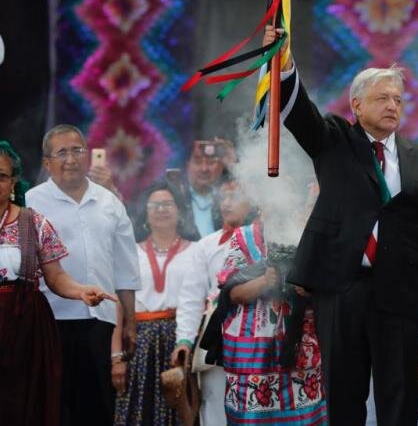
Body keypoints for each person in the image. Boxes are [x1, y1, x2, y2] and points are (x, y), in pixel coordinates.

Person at [267, 24, 418, 425]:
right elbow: (299, 113)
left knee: (398, 396)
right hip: (341, 287)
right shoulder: (334, 139)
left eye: (398, 100)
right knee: (345, 395)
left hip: (400, 294)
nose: (392, 106)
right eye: (382, 98)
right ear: (357, 106)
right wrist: (283, 61)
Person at [26, 124, 141, 425]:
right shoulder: (31, 203)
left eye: (77, 150)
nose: (71, 159)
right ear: (46, 162)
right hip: (47, 321)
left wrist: (129, 320)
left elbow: (125, 269)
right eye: (61, 152)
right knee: (53, 406)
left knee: (97, 407)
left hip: (99, 321)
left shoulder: (110, 203)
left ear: (88, 155)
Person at [0, 140, 114, 425]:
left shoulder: (33, 223)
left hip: (24, 331)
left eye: (1, 176)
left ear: (13, 181)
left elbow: (56, 277)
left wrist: (82, 292)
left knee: (22, 408)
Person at [217, 219, 328, 425]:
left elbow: (331, 286)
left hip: (300, 350)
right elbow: (232, 293)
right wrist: (264, 281)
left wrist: (309, 288)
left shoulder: (310, 232)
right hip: (253, 355)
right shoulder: (243, 238)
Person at [173, 175, 258, 426]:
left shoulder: (264, 240)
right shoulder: (206, 246)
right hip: (216, 339)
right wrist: (185, 340)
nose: (226, 202)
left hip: (256, 341)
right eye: (223, 196)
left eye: (234, 196)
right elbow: (191, 297)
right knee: (214, 402)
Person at [113, 181, 200, 425]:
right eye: (155, 205)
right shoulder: (131, 252)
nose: (161, 209)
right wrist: (117, 357)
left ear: (180, 211)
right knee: (140, 408)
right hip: (140, 341)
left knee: (181, 409)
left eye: (168, 204)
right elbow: (118, 305)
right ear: (145, 212)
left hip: (181, 340)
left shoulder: (196, 251)